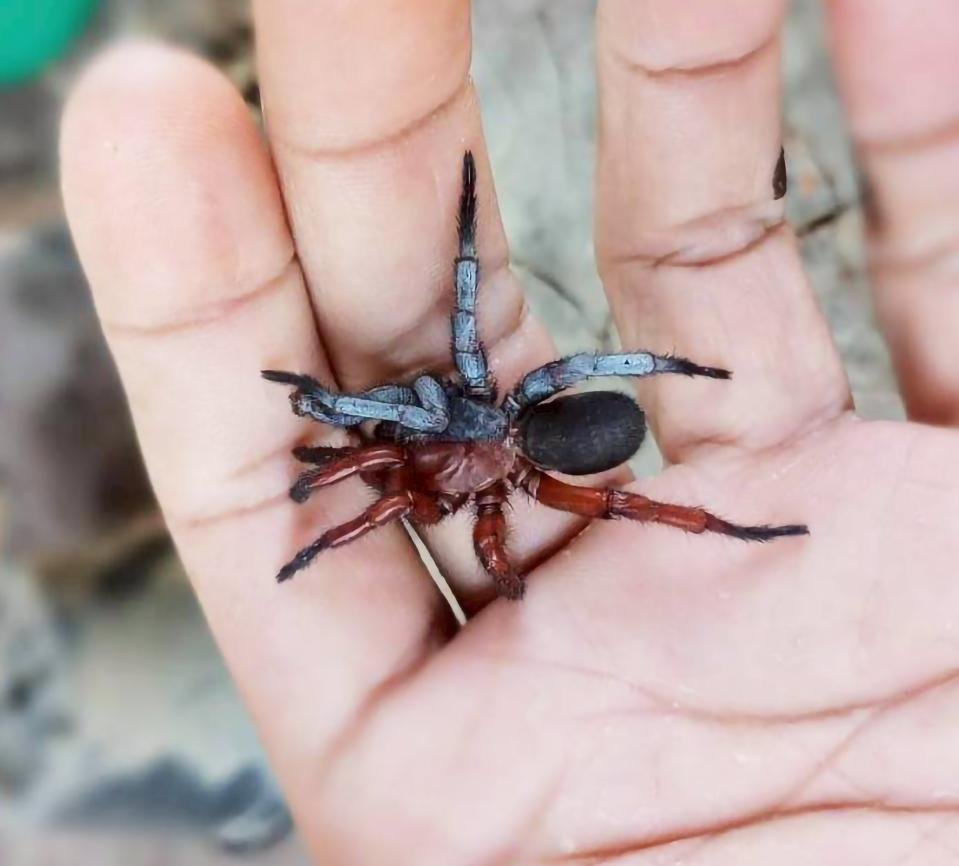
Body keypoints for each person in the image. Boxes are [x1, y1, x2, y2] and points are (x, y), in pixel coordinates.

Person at [60, 1, 959, 862]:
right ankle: (717, 497)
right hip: (525, 430)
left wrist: (367, 538)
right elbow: (460, 464)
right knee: (551, 463)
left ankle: (725, 515)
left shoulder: (467, 473)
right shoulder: (481, 432)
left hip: (535, 439)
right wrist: (461, 549)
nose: (410, 455)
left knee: (600, 496)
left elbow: (450, 486)